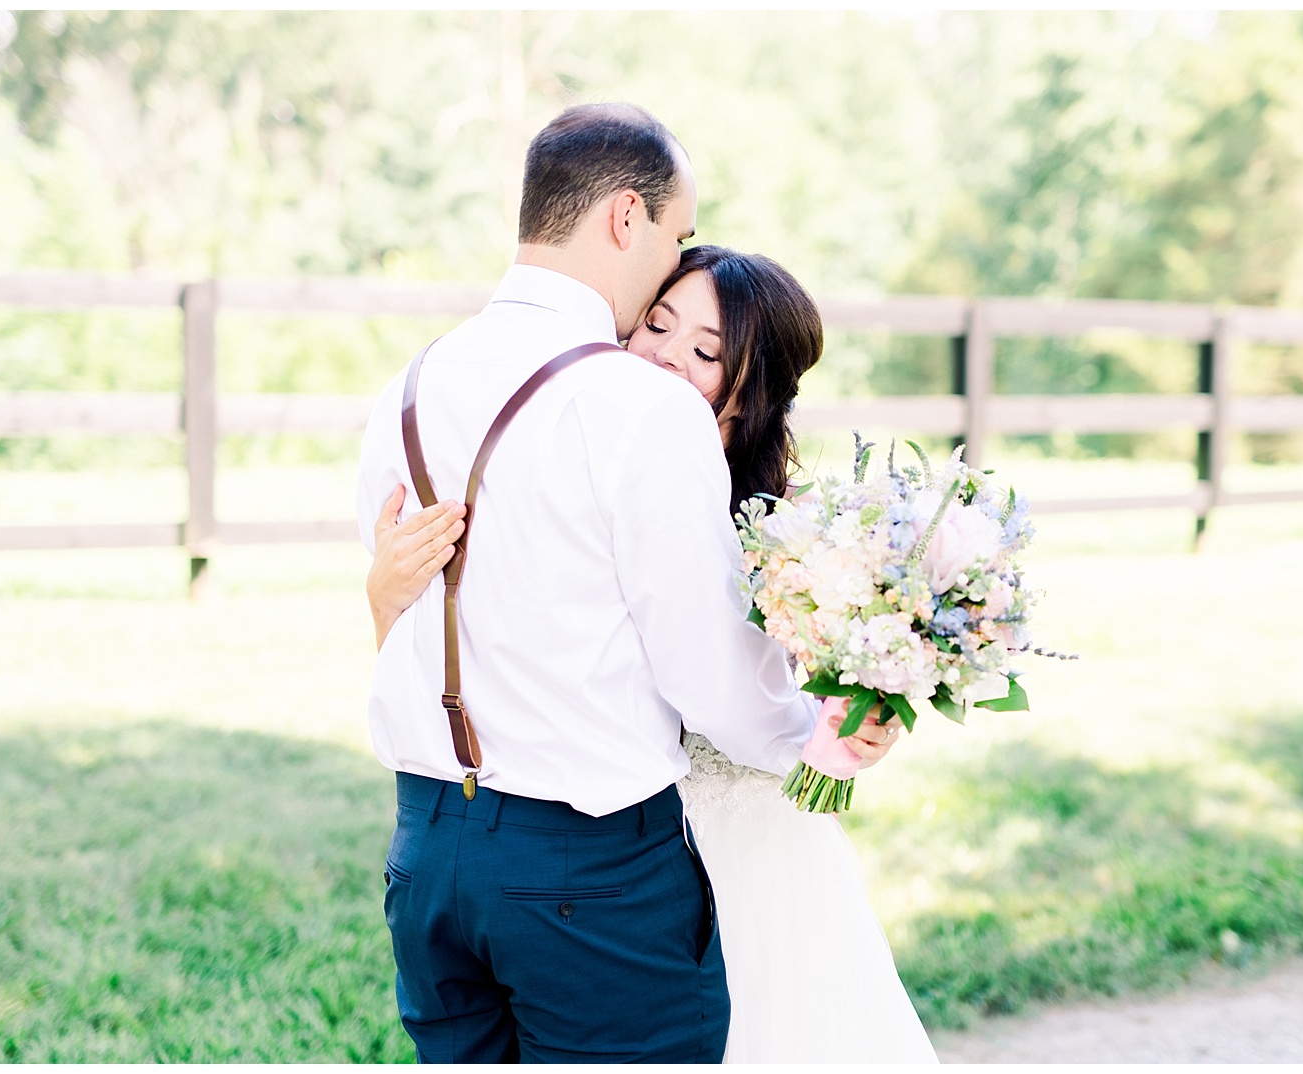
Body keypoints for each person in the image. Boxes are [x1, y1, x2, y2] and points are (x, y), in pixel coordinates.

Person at [355, 103, 901, 1064]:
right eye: (678, 235)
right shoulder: (639, 409)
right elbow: (707, 671)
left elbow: (418, 606)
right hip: (586, 872)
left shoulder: (412, 382)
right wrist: (807, 741)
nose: (678, 259)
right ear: (624, 219)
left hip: (426, 853)